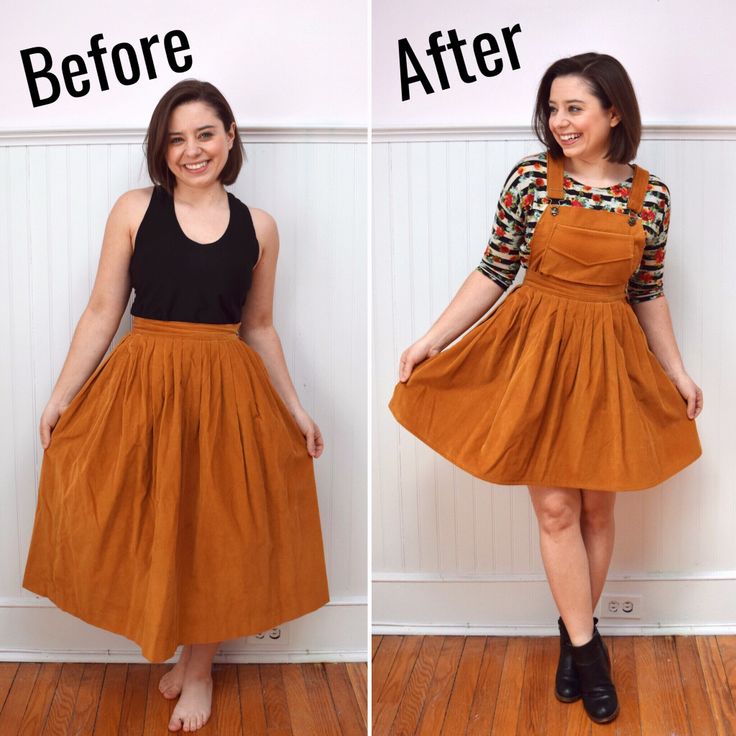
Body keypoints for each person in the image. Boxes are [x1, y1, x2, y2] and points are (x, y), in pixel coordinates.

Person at [388, 52, 703, 724]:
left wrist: (677, 370)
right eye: (553, 108)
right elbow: (494, 268)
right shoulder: (533, 180)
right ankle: (591, 654)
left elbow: (647, 291)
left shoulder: (651, 195)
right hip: (535, 356)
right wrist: (430, 340)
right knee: (556, 511)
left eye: (575, 108)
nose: (559, 122)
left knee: (596, 512)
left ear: (613, 112)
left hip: (609, 361)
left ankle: (571, 631)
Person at [22, 79, 330, 733]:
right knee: (155, 521)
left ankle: (199, 671)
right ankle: (173, 645)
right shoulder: (134, 209)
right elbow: (104, 311)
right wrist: (60, 394)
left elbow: (261, 326)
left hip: (226, 392)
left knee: (216, 532)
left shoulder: (261, 226)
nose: (192, 150)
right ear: (162, 149)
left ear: (231, 136)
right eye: (176, 139)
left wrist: (297, 410)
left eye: (205, 134)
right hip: (145, 385)